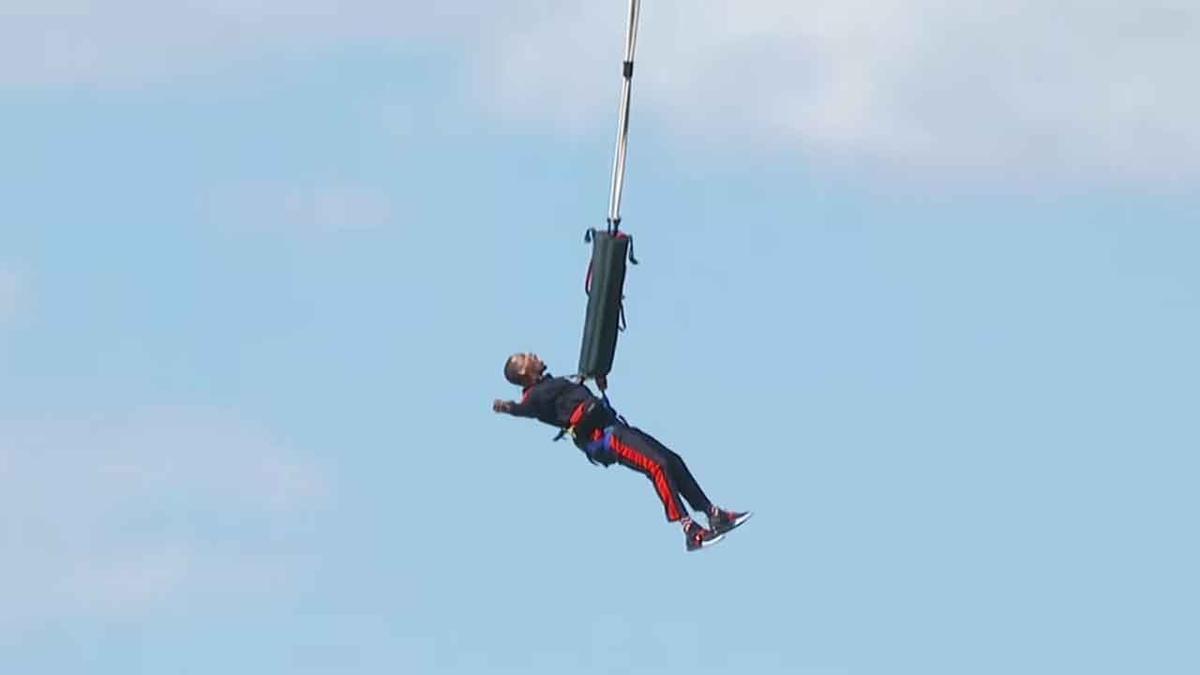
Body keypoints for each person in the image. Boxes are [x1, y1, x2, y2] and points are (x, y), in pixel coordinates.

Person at [492, 352, 750, 552]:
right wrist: (507, 407)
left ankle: (713, 514)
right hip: (605, 438)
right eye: (528, 357)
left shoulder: (553, 383)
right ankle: (690, 531)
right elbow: (524, 409)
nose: (534, 356)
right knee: (657, 466)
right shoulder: (534, 397)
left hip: (614, 426)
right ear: (524, 371)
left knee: (672, 461)